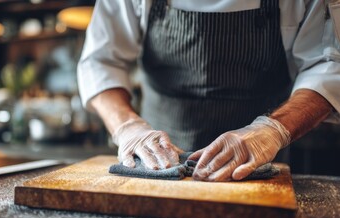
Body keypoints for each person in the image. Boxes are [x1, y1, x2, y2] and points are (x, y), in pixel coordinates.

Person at [77, 0, 340, 181]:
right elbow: (102, 61)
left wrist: (274, 131)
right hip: (155, 160)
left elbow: (328, 64)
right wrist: (127, 127)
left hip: (259, 161)